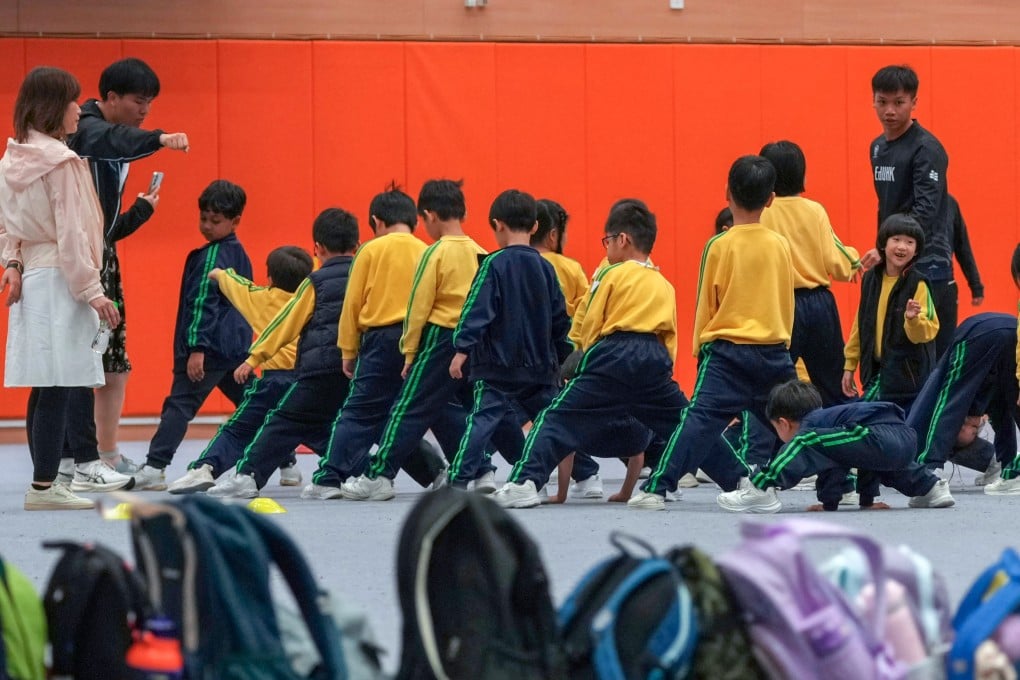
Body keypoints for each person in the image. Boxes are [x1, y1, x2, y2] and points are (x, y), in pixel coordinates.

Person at [492, 198, 688, 508]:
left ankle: (526, 481)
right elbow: (670, 335)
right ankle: (736, 478)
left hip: (598, 352)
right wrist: (666, 369)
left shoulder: (608, 273)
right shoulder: (662, 282)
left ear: (621, 240)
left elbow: (590, 315)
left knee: (555, 419)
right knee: (689, 422)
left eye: (607, 241)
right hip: (652, 359)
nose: (606, 248)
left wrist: (581, 352)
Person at [0, 66, 134, 510]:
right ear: (56, 107)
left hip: (34, 278)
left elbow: (7, 228)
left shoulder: (11, 158)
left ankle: (46, 482)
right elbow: (74, 234)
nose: (81, 108)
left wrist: (13, 264)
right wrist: (94, 291)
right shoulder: (63, 162)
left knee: (44, 383)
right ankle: (44, 486)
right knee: (59, 383)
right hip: (61, 278)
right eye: (75, 101)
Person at [631, 155, 798, 510]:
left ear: (727, 193)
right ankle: (841, 483)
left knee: (698, 422)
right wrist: (783, 341)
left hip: (727, 353)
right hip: (773, 349)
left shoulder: (719, 245)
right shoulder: (780, 244)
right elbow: (787, 299)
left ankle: (656, 490)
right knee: (795, 421)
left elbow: (707, 300)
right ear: (770, 199)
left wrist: (700, 347)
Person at [67, 57, 190, 473]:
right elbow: (113, 138)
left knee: (110, 362)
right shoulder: (86, 129)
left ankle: (99, 452)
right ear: (111, 98)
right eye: (139, 101)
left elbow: (106, 229)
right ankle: (77, 458)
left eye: (151, 104)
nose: (145, 111)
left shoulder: (107, 141)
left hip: (102, 257)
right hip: (80, 263)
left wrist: (139, 212)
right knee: (81, 363)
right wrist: (158, 139)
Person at [341, 179, 493, 500]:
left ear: (429, 215)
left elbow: (419, 306)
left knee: (408, 409)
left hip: (439, 339)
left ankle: (379, 475)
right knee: (473, 410)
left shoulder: (434, 253)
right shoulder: (482, 253)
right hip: (474, 342)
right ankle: (481, 471)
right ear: (463, 212)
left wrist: (410, 352)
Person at [206, 208, 359, 497]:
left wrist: (254, 358)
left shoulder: (314, 285)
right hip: (354, 367)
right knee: (355, 421)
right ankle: (372, 471)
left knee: (280, 422)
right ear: (357, 245)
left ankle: (245, 474)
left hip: (313, 370)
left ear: (318, 248)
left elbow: (284, 325)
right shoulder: (363, 277)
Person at [303, 185, 429, 498]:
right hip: (420, 338)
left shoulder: (369, 251)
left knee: (359, 411)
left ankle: (329, 478)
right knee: (420, 411)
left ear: (376, 221)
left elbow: (352, 305)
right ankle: (453, 473)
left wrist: (348, 349)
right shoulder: (426, 249)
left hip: (380, 338)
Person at [446, 189, 572, 489]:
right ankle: (581, 473)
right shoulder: (546, 268)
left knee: (482, 420)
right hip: (540, 366)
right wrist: (565, 359)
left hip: (496, 365)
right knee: (552, 419)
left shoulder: (492, 264)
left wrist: (462, 349)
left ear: (497, 225)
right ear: (535, 227)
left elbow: (477, 309)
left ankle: (459, 480)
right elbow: (560, 319)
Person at [133, 180, 253, 490]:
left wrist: (196, 348)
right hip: (235, 348)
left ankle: (155, 466)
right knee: (258, 403)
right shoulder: (238, 253)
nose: (207, 226)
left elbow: (203, 302)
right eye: (203, 219)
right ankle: (287, 462)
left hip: (210, 350)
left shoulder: (213, 257)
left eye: (216, 221)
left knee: (180, 405)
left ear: (235, 220)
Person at [165, 245, 313, 493]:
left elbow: (231, 281)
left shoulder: (260, 298)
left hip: (273, 380)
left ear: (270, 278)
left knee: (238, 429)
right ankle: (352, 469)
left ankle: (205, 468)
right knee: (323, 432)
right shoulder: (311, 300)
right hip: (307, 382)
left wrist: (218, 273)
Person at [716, 380, 953, 513]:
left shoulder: (811, 427)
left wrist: (830, 502)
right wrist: (861, 501)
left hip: (879, 434)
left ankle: (761, 488)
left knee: (805, 441)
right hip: (904, 437)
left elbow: (851, 448)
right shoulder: (833, 425)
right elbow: (856, 459)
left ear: (783, 423)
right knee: (872, 455)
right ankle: (931, 488)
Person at [862, 64, 956, 360]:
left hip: (929, 264)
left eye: (899, 103)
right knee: (892, 347)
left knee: (929, 356)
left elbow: (925, 210)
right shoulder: (877, 147)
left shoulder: (926, 149)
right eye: (882, 101)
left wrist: (893, 248)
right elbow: (885, 206)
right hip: (895, 261)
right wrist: (883, 249)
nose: (889, 110)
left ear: (914, 103)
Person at [759, 140, 861, 406]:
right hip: (818, 304)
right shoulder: (814, 210)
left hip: (779, 306)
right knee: (835, 383)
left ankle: (775, 443)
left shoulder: (762, 213)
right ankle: (853, 435)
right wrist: (854, 262)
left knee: (773, 385)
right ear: (801, 174)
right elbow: (834, 257)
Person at [530, 198, 603, 498]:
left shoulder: (515, 262)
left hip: (526, 350)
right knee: (560, 412)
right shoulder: (570, 268)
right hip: (562, 351)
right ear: (552, 234)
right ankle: (584, 474)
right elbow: (586, 310)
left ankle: (568, 473)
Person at [908, 308, 1020, 495]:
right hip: (1009, 329)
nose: (978, 432)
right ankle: (1008, 468)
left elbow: (951, 404)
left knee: (953, 401)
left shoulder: (927, 415)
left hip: (982, 333)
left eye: (975, 429)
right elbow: (1000, 412)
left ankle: (928, 470)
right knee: (1005, 403)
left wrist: (929, 462)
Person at [842, 214, 939, 411]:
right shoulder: (870, 279)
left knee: (901, 428)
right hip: (876, 374)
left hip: (907, 381)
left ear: (916, 251)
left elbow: (929, 330)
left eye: (910, 242)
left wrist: (912, 320)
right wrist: (850, 364)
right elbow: (860, 325)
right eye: (896, 239)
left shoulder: (918, 283)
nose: (902, 247)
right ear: (883, 244)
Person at [948, 194, 985, 307]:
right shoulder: (907, 200)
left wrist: (976, 286)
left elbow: (963, 247)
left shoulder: (950, 204)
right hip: (913, 283)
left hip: (945, 284)